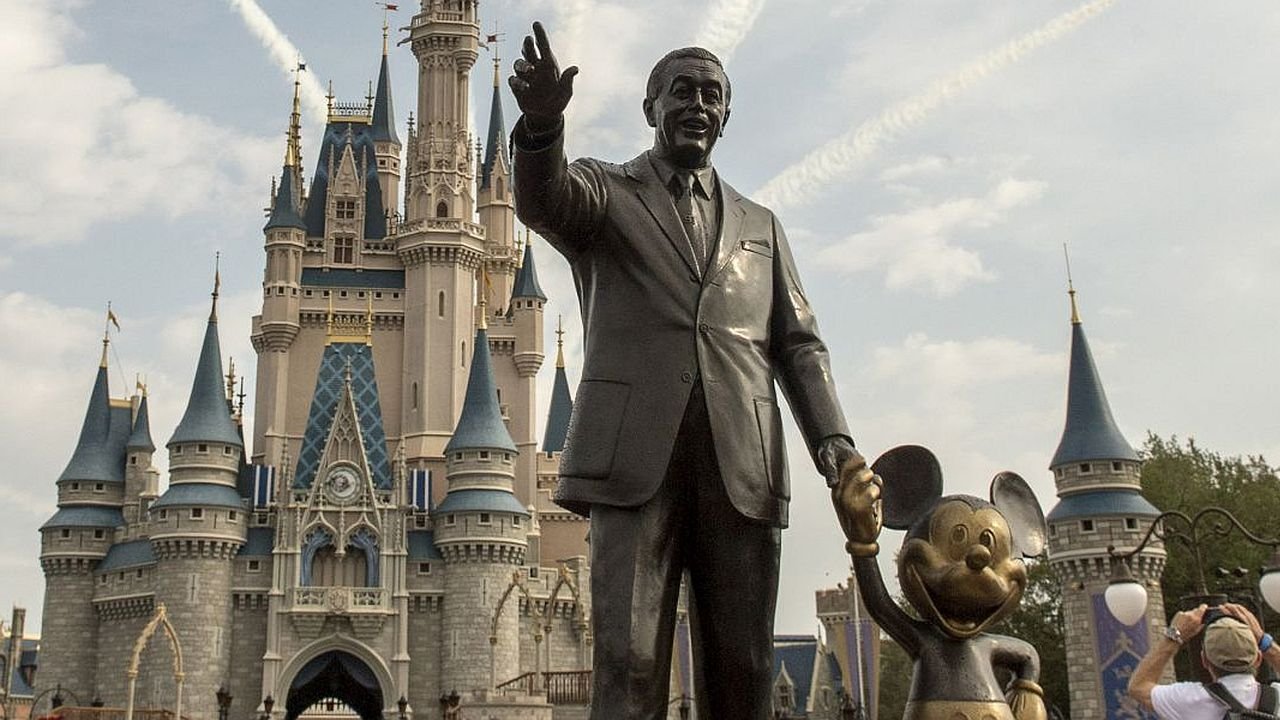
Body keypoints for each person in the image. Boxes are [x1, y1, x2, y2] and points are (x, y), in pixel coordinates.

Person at [508, 22, 867, 719]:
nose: (698, 105)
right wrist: (543, 127)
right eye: (682, 92)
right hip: (636, 461)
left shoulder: (760, 226)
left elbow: (799, 345)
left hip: (744, 463)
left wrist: (835, 446)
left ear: (726, 115)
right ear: (651, 108)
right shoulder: (607, 193)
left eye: (712, 94)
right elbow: (541, 202)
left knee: (744, 664)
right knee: (630, 659)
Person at [1129, 602, 1280, 719]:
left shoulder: (1189, 700)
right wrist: (1264, 642)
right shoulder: (1277, 697)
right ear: (1258, 659)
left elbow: (1138, 687)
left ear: (1204, 660)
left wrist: (1174, 637)